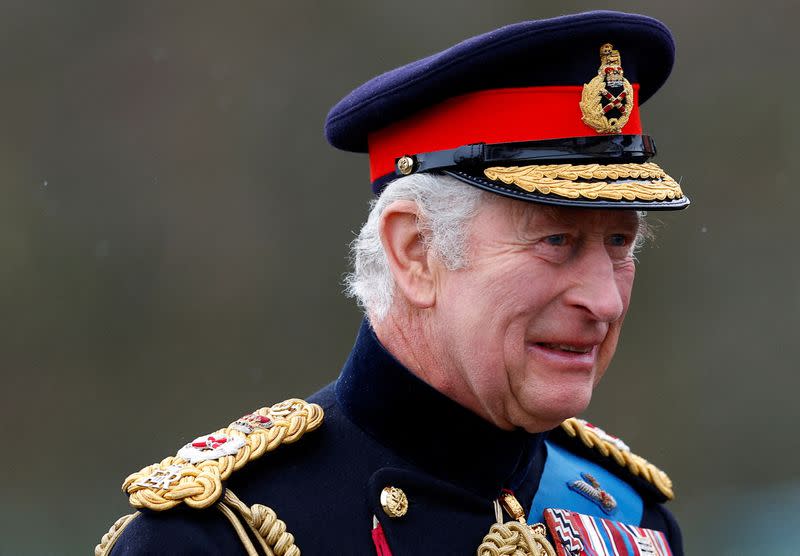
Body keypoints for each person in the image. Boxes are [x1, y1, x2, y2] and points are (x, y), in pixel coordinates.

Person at [97, 10, 687, 555]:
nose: (605, 300)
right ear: (414, 252)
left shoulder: (631, 521)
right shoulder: (212, 538)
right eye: (555, 241)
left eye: (619, 243)